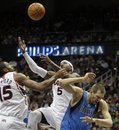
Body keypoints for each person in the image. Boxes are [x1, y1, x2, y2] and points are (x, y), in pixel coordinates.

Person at [18, 37, 80, 130]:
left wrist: (50, 62)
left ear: (71, 68)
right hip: (52, 111)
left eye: (65, 63)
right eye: (61, 63)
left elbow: (66, 77)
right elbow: (36, 69)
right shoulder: (54, 75)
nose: (62, 64)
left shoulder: (75, 76)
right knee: (34, 114)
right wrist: (24, 53)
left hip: (65, 116)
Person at [0, 61, 65, 130]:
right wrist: (56, 76)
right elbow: (40, 87)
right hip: (14, 121)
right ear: (5, 69)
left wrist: (24, 91)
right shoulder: (16, 76)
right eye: (8, 65)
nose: (11, 66)